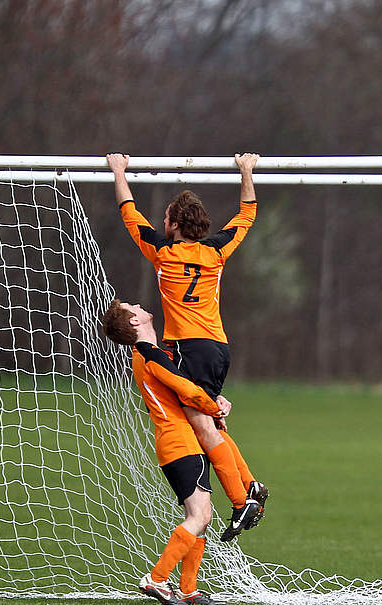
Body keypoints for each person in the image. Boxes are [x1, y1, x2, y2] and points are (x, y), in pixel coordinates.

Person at [107, 151, 269, 539]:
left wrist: (119, 171)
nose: (162, 223)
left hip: (189, 348)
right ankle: (251, 488)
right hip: (218, 347)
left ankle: (242, 497)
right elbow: (247, 213)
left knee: (202, 425)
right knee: (210, 422)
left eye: (166, 218)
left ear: (175, 224)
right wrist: (246, 171)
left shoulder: (163, 254)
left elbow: (130, 215)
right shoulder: (216, 252)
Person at [100, 299, 263, 605]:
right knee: (199, 515)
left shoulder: (155, 354)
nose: (138, 305)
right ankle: (157, 579)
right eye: (132, 307)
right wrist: (213, 407)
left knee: (199, 516)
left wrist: (215, 401)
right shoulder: (150, 355)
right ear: (135, 322)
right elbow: (187, 391)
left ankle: (188, 589)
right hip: (180, 443)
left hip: (176, 442)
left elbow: (185, 389)